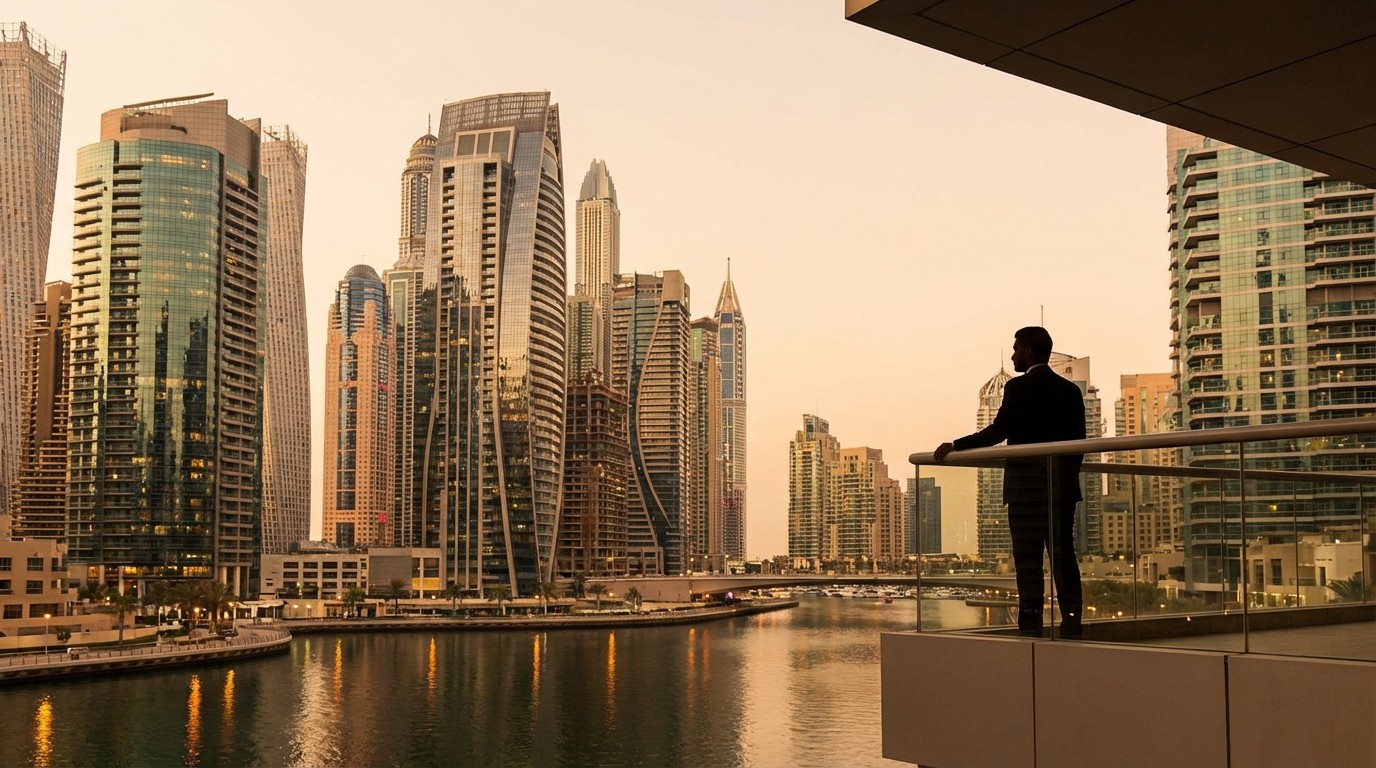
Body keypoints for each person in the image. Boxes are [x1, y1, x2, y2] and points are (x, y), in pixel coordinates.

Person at [933, 326, 1086, 637]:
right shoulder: (1071, 392)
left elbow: (997, 432)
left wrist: (956, 445)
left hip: (1025, 489)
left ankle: (1031, 622)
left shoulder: (1018, 388)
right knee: (1063, 554)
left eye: (1017, 349)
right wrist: (1065, 478)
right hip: (1061, 487)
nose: (1014, 355)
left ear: (1028, 351)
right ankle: (1071, 620)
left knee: (1027, 557)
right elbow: (1079, 443)